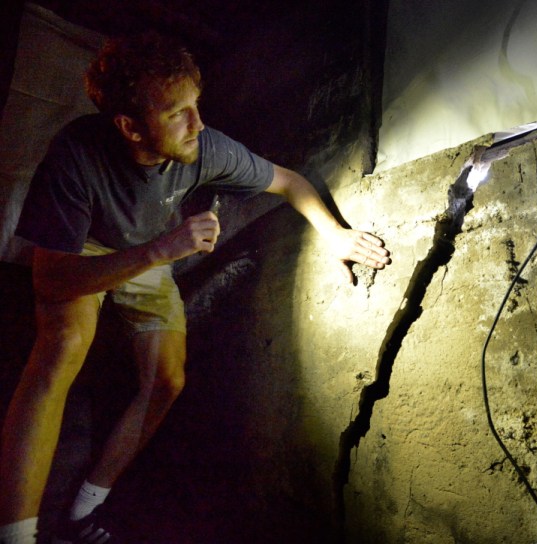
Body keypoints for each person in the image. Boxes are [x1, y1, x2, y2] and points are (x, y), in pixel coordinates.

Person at [0, 32, 391, 544]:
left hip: (154, 249)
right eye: (177, 113)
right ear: (130, 127)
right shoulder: (76, 153)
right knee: (63, 345)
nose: (197, 124)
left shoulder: (206, 147)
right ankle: (16, 533)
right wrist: (161, 251)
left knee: (167, 380)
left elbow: (289, 181)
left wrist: (335, 234)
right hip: (89, 251)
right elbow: (50, 279)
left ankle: (82, 511)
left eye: (196, 106)